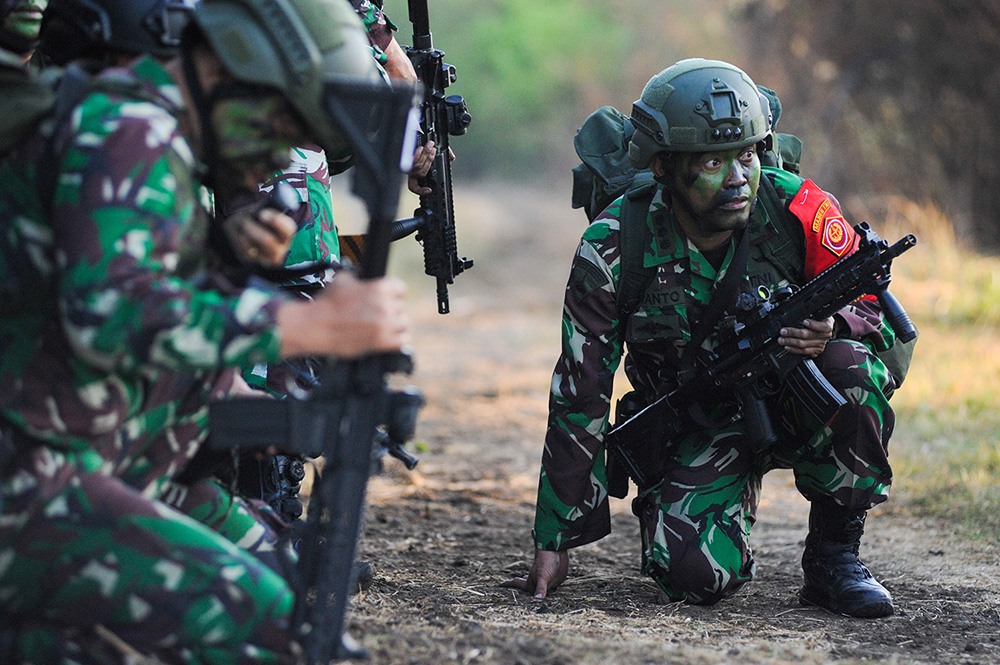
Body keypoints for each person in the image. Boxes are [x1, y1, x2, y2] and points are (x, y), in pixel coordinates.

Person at [0, 0, 411, 661]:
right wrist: (302, 323)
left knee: (282, 594)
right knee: (252, 618)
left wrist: (272, 403)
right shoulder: (128, 128)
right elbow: (108, 318)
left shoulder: (160, 144)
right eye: (278, 121)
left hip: (113, 462)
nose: (277, 151)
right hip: (32, 481)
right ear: (227, 66)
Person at [504, 58, 904, 619]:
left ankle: (835, 559)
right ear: (664, 169)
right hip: (700, 420)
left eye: (748, 155)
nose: (739, 177)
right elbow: (581, 387)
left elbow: (878, 315)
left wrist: (836, 326)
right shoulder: (617, 243)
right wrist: (555, 537)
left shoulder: (799, 210)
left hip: (796, 397)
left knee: (853, 370)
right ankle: (697, 509)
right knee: (696, 580)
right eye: (714, 161)